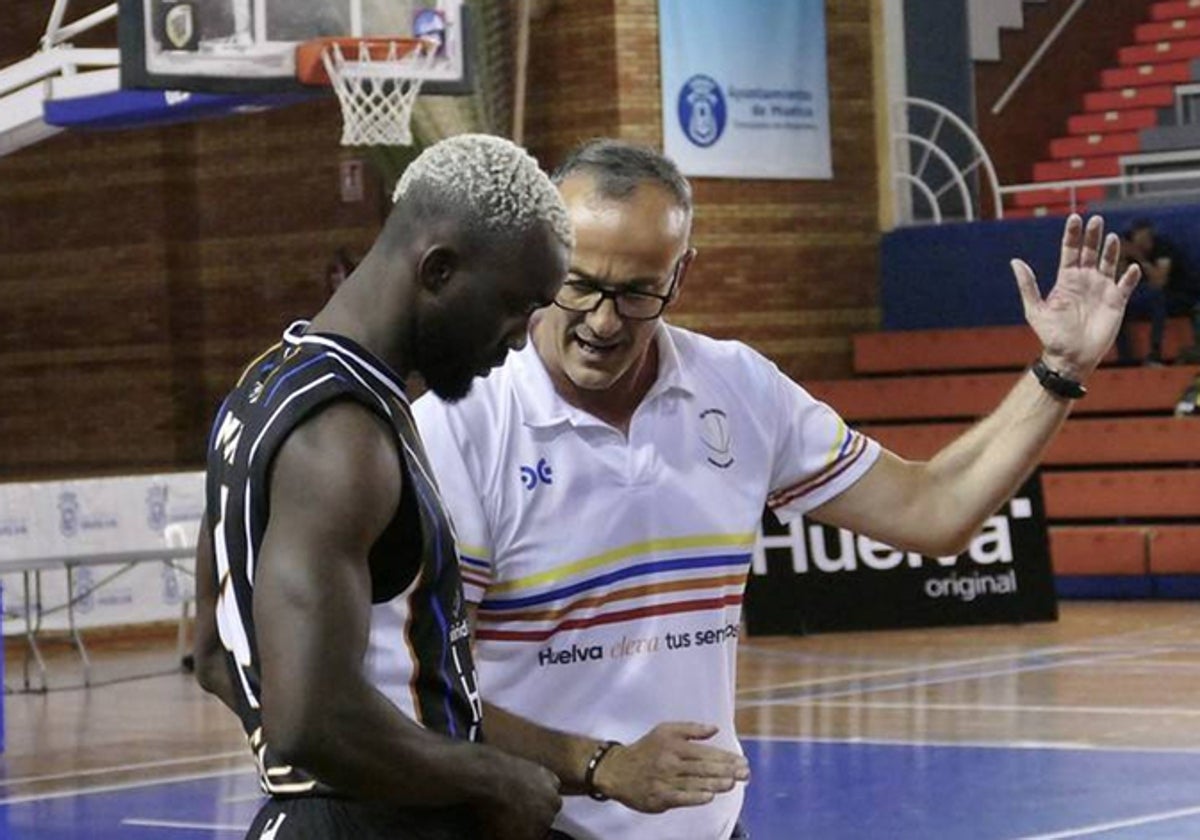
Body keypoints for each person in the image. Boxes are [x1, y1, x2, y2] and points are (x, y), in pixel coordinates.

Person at [411, 139, 1140, 840]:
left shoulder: (738, 387)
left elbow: (933, 511)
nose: (603, 321)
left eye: (638, 293)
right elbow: (421, 691)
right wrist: (598, 766)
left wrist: (1059, 371)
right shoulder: (459, 426)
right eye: (581, 285)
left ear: (681, 275)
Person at [192, 133, 575, 840]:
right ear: (438, 271)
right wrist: (493, 776)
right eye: (515, 306)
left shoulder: (261, 388)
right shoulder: (343, 438)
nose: (521, 339)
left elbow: (215, 657)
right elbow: (309, 719)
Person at [1115, 218, 1200, 364]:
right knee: (1117, 304)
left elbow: (1159, 283)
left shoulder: (1163, 248)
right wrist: (1121, 258)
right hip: (1146, 297)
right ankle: (1125, 358)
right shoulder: (1130, 248)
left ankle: (1155, 353)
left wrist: (1140, 258)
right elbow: (1120, 283)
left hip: (1178, 295)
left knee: (1157, 298)